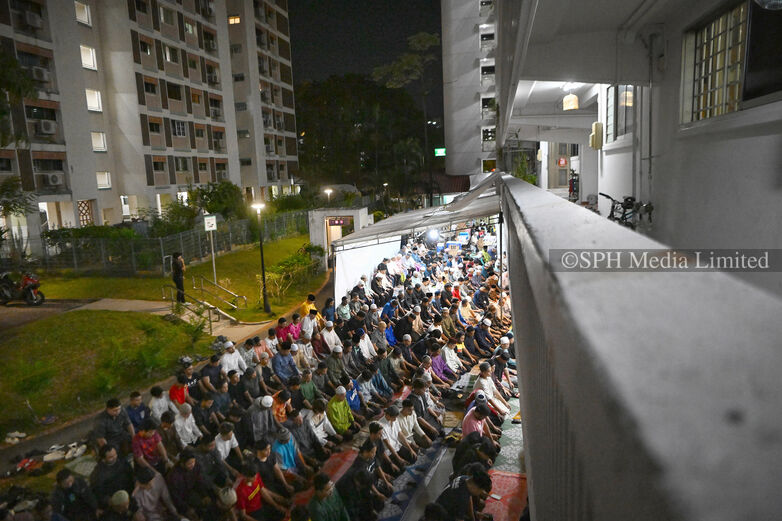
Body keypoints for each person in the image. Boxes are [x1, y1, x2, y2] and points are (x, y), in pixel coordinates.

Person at [89, 445, 134, 510]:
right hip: (115, 499)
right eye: (111, 457)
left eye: (115, 454)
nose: (115, 457)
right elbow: (98, 493)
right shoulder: (98, 473)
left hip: (128, 491)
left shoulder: (121, 460)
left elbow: (130, 473)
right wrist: (110, 501)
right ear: (103, 459)